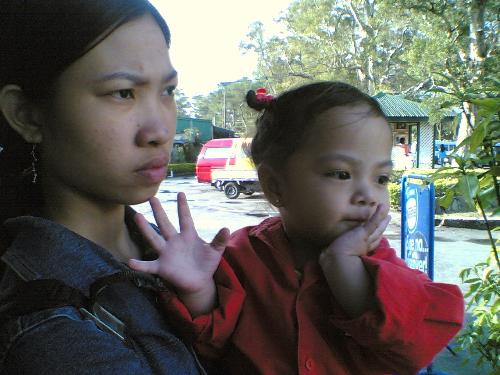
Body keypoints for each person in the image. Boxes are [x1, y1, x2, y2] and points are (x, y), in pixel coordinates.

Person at [129, 82, 465, 374]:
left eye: (381, 178)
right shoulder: (241, 256)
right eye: (341, 174)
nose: (367, 195)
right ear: (276, 186)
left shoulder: (381, 265)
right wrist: (198, 290)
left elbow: (413, 345)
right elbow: (214, 343)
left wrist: (344, 263)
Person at [0, 1, 220, 373]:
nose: (161, 131)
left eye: (167, 91)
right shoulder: (53, 330)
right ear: (27, 114)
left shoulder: (164, 249)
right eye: (123, 93)